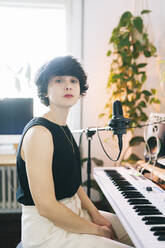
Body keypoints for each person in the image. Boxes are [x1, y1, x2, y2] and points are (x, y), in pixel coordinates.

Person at [16, 56, 134, 248]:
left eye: (74, 81)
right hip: (47, 232)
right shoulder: (39, 134)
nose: (68, 86)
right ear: (45, 90)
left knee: (135, 232)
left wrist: (96, 215)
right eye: (59, 80)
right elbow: (47, 208)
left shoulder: (62, 127)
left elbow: (73, 184)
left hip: (73, 213)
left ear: (80, 90)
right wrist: (97, 230)